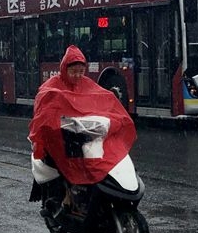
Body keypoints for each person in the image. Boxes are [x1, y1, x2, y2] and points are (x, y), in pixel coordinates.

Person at [27, 45, 136, 214]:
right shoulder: (53, 85)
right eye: (74, 72)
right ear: (65, 69)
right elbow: (45, 107)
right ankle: (65, 198)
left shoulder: (87, 84)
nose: (78, 76)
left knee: (103, 154)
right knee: (67, 158)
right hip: (61, 136)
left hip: (82, 131)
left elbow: (101, 98)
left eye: (81, 71)